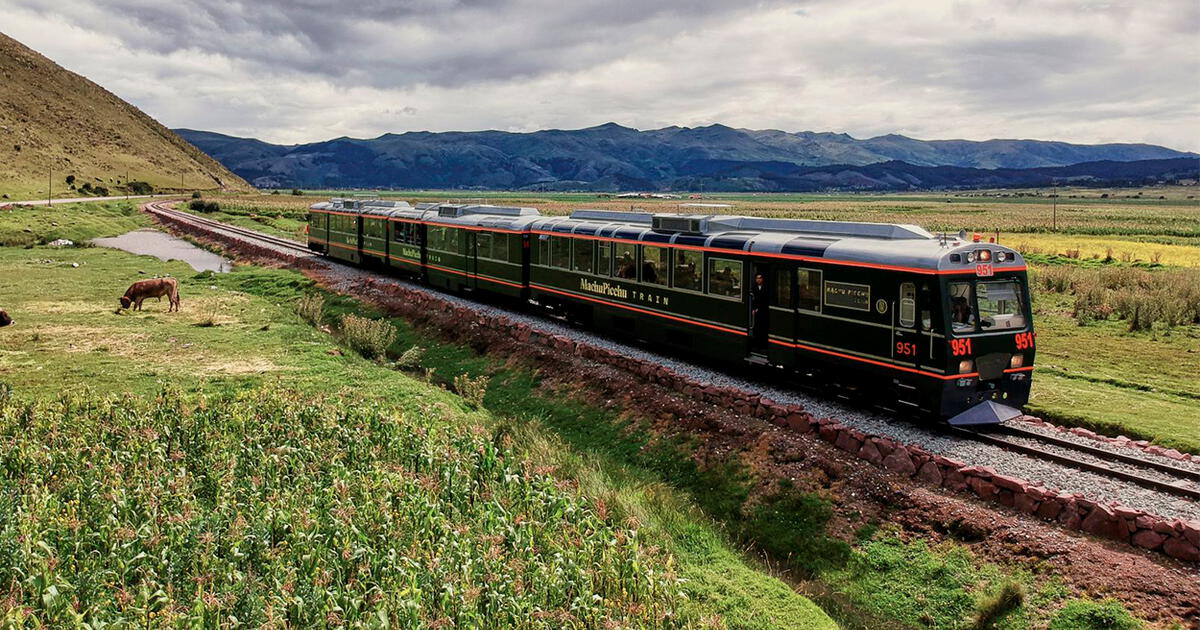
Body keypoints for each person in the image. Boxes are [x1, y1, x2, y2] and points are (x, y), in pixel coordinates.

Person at [750, 272, 767, 348]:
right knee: (756, 327)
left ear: (762, 279)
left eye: (760, 278)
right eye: (757, 278)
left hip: (763, 310)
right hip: (756, 310)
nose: (758, 280)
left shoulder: (766, 287)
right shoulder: (754, 287)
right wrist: (754, 309)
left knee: (763, 327)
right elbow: (753, 299)